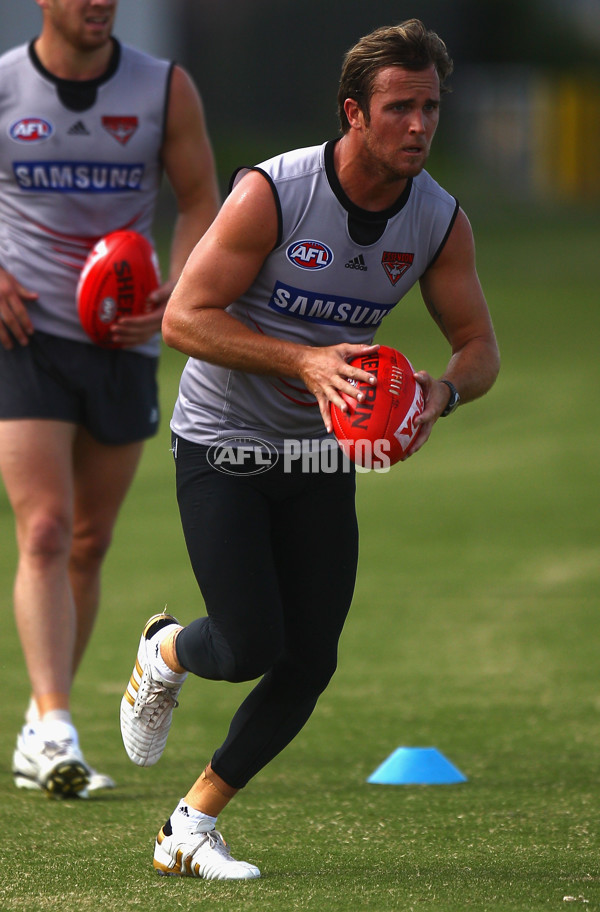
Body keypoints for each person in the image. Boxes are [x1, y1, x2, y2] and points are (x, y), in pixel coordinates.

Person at [120, 18, 500, 879]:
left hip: (324, 457)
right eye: (400, 107)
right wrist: (304, 359)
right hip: (222, 442)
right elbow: (184, 318)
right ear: (353, 114)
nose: (419, 126)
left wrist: (440, 391)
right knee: (249, 644)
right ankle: (167, 650)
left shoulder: (438, 219)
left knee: (310, 659)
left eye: (431, 107)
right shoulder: (276, 193)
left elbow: (479, 347)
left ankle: (190, 824)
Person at [0, 0, 220, 799]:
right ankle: (57, 722)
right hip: (25, 337)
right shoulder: (4, 87)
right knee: (47, 527)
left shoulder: (164, 89)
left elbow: (201, 201)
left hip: (126, 343)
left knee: (89, 541)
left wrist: (180, 293)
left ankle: (37, 723)